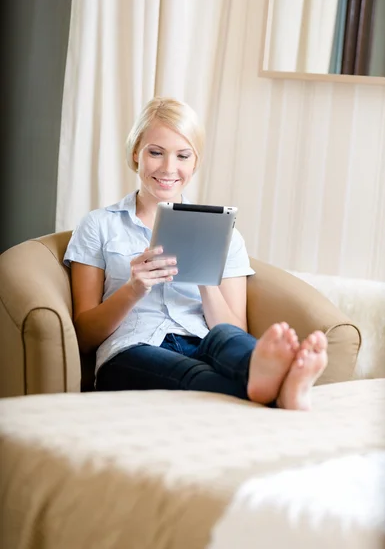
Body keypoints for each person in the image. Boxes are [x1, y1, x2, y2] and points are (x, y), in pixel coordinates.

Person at [64, 97, 328, 410]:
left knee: (230, 342)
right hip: (132, 349)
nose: (168, 168)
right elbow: (83, 335)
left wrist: (205, 276)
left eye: (182, 155)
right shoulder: (99, 225)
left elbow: (232, 328)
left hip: (203, 340)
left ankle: (274, 377)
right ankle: (286, 391)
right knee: (197, 378)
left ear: (195, 162)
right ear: (136, 153)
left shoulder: (224, 234)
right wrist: (135, 288)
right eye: (155, 152)